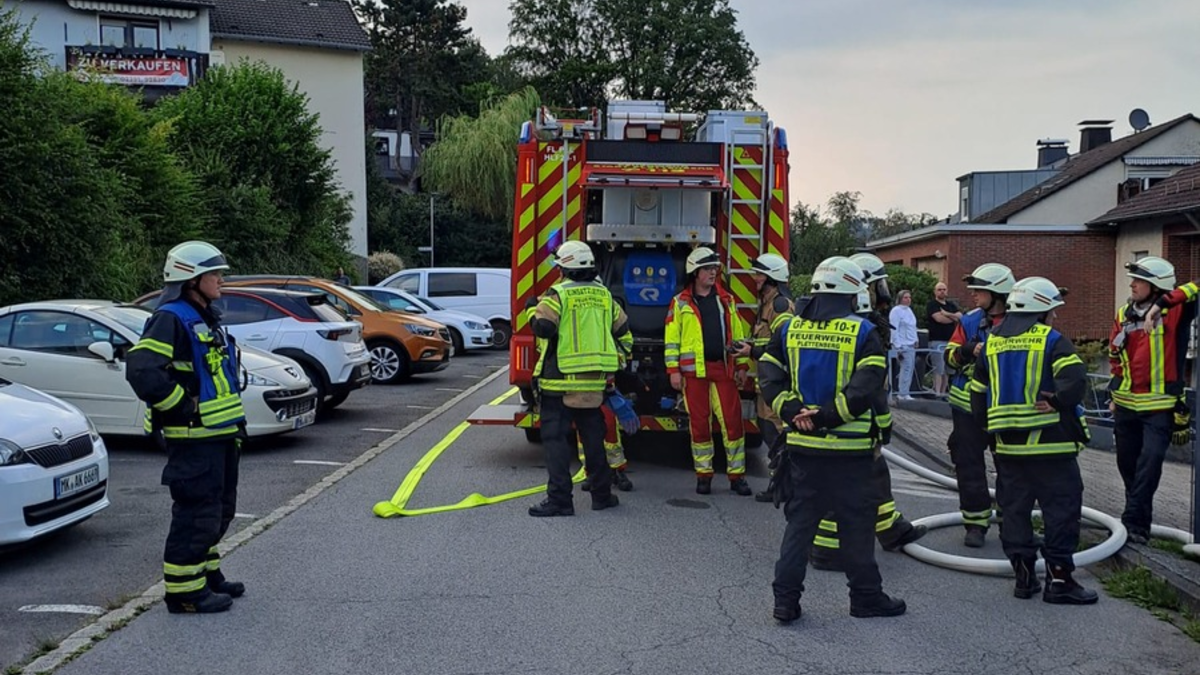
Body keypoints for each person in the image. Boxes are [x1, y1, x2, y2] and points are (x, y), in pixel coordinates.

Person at [760, 256, 907, 623]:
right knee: (857, 528)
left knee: (799, 529)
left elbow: (769, 375)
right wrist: (827, 416)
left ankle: (785, 602)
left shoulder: (790, 328)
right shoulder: (863, 332)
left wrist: (792, 411)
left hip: (802, 448)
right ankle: (866, 598)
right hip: (850, 452)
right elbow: (867, 389)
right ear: (852, 293)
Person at [126, 241, 246, 614]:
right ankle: (185, 594)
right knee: (196, 514)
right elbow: (143, 371)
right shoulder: (170, 318)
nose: (221, 280)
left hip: (219, 435)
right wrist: (182, 406)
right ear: (191, 280)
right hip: (194, 439)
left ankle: (206, 575)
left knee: (218, 511)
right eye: (214, 274)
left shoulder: (203, 316)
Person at [970, 277, 1096, 604]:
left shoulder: (992, 342)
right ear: (1041, 311)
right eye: (1052, 311)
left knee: (1014, 510)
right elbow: (1075, 380)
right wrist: (1058, 401)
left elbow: (977, 393)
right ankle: (1060, 580)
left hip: (1008, 448)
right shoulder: (1052, 340)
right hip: (1052, 447)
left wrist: (988, 428)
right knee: (1061, 510)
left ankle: (1023, 577)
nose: (1055, 316)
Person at [808, 289, 927, 571]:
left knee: (869, 480)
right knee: (846, 489)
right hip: (851, 432)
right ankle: (831, 552)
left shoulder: (820, 331)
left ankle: (888, 528)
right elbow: (872, 393)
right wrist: (884, 429)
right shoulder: (862, 339)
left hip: (817, 427)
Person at [527, 241, 632, 517]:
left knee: (556, 442)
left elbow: (544, 328)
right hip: (593, 385)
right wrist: (615, 365)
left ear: (564, 269)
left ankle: (560, 500)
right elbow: (623, 333)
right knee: (594, 441)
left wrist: (530, 310)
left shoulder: (558, 294)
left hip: (559, 384)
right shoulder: (605, 296)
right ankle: (602, 495)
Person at [1110, 256, 1199, 544]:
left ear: (1157, 286)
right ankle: (1136, 520)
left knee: (1150, 463)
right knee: (1128, 466)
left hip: (1159, 407)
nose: (1132, 285)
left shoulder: (1177, 311)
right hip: (1125, 404)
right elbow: (1114, 356)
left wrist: (1161, 305)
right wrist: (1114, 395)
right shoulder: (1123, 313)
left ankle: (1134, 524)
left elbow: (1196, 286)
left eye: (1139, 280)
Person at [665, 246, 753, 496]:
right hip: (694, 374)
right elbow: (672, 339)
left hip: (723, 370)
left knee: (733, 423)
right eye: (707, 269)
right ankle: (703, 475)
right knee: (699, 424)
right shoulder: (680, 303)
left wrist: (742, 365)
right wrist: (673, 370)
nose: (713, 272)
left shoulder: (727, 300)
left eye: (714, 268)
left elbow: (737, 334)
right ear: (695, 272)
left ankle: (737, 476)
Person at [945, 263, 1015, 548]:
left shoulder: (1022, 322)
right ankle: (975, 524)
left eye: (979, 290)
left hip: (1005, 409)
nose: (973, 294)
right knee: (969, 466)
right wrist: (966, 350)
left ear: (998, 292)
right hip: (967, 409)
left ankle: (1012, 524)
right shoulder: (970, 321)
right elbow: (949, 355)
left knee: (1010, 468)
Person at [730, 253, 794, 503]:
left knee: (776, 436)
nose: (755, 278)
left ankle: (783, 486)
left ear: (771, 278)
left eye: (759, 274)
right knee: (769, 434)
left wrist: (752, 351)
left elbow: (784, 345)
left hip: (777, 384)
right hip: (766, 384)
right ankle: (779, 484)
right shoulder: (767, 303)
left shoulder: (780, 306)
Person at [926, 282, 961, 396]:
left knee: (948, 369)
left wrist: (946, 313)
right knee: (939, 368)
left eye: (944, 289)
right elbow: (939, 319)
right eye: (939, 289)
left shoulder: (951, 305)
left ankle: (943, 392)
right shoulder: (932, 305)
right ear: (935, 292)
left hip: (950, 341)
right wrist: (953, 318)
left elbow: (961, 317)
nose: (942, 291)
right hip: (937, 340)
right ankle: (937, 392)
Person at [888, 290, 918, 401]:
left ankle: (905, 392)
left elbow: (913, 327)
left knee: (909, 369)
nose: (908, 299)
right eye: (905, 297)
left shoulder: (909, 310)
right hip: (902, 344)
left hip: (911, 343)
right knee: (906, 368)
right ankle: (902, 393)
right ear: (900, 298)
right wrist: (897, 345)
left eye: (909, 297)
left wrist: (916, 339)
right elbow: (894, 329)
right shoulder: (896, 311)